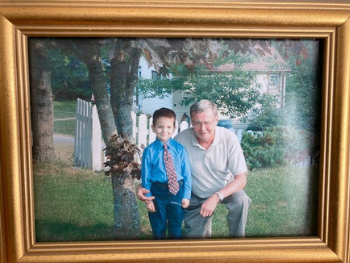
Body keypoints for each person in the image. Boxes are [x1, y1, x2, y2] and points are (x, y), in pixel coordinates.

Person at [138, 100, 251, 239]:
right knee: (195, 243)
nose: (203, 128)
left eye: (207, 122)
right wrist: (142, 186)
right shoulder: (180, 141)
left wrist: (216, 197)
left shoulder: (229, 138)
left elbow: (241, 179)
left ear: (216, 120)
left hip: (223, 188)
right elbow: (161, 167)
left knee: (241, 200)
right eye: (197, 123)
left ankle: (238, 242)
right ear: (191, 121)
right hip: (195, 195)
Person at [141, 107, 192, 239]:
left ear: (174, 128)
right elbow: (146, 178)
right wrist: (148, 199)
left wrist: (186, 195)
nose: (164, 131)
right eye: (160, 127)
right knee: (158, 227)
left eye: (169, 127)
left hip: (177, 191)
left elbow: (187, 175)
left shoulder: (180, 150)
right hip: (157, 191)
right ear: (153, 128)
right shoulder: (149, 151)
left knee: (176, 226)